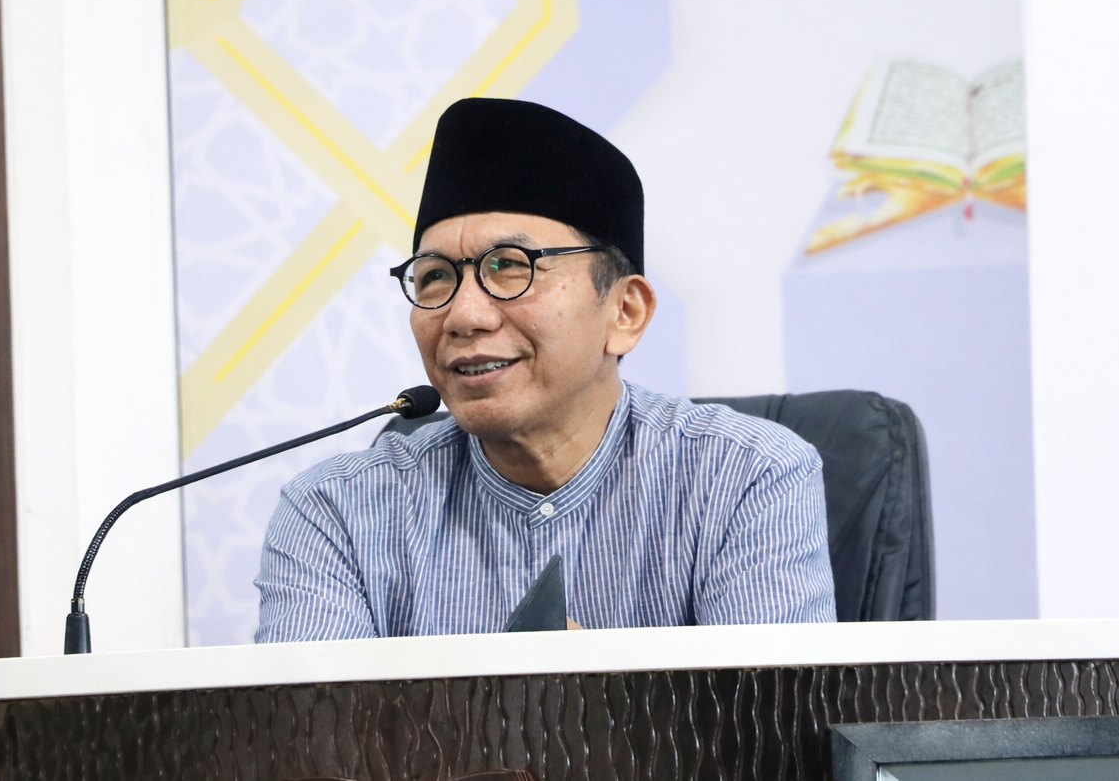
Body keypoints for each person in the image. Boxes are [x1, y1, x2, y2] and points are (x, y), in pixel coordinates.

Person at [255, 98, 836, 641]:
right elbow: (312, 721)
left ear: (625, 312)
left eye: (510, 266)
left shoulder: (744, 478)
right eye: (434, 277)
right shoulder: (338, 511)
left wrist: (589, 689)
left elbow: (771, 717)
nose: (463, 315)